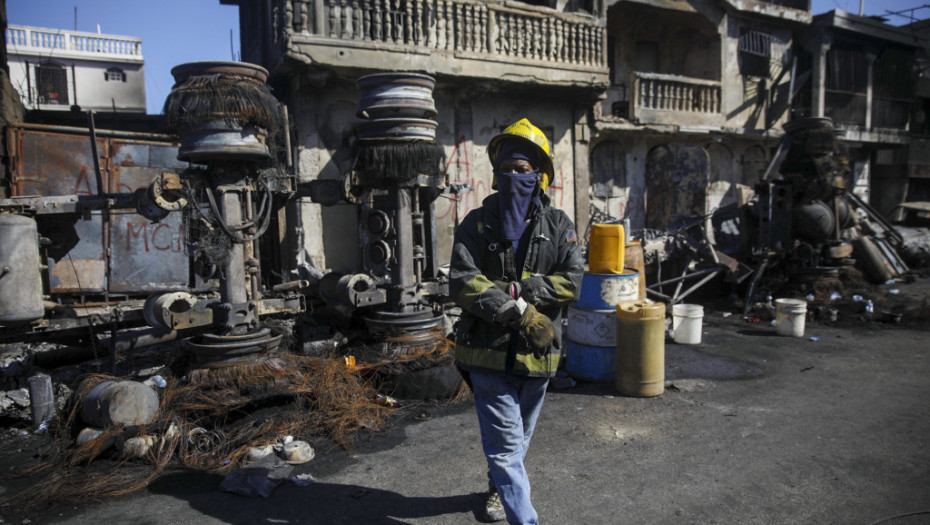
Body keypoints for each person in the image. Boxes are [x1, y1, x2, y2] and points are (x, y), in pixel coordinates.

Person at [449, 118, 583, 524]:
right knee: (506, 447)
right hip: (486, 354)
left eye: (522, 170)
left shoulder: (559, 225)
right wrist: (515, 311)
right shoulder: (476, 222)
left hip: (538, 356)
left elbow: (572, 280)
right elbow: (463, 279)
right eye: (505, 169)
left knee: (517, 439)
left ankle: (497, 487)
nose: (512, 176)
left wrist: (525, 293)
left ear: (539, 177)